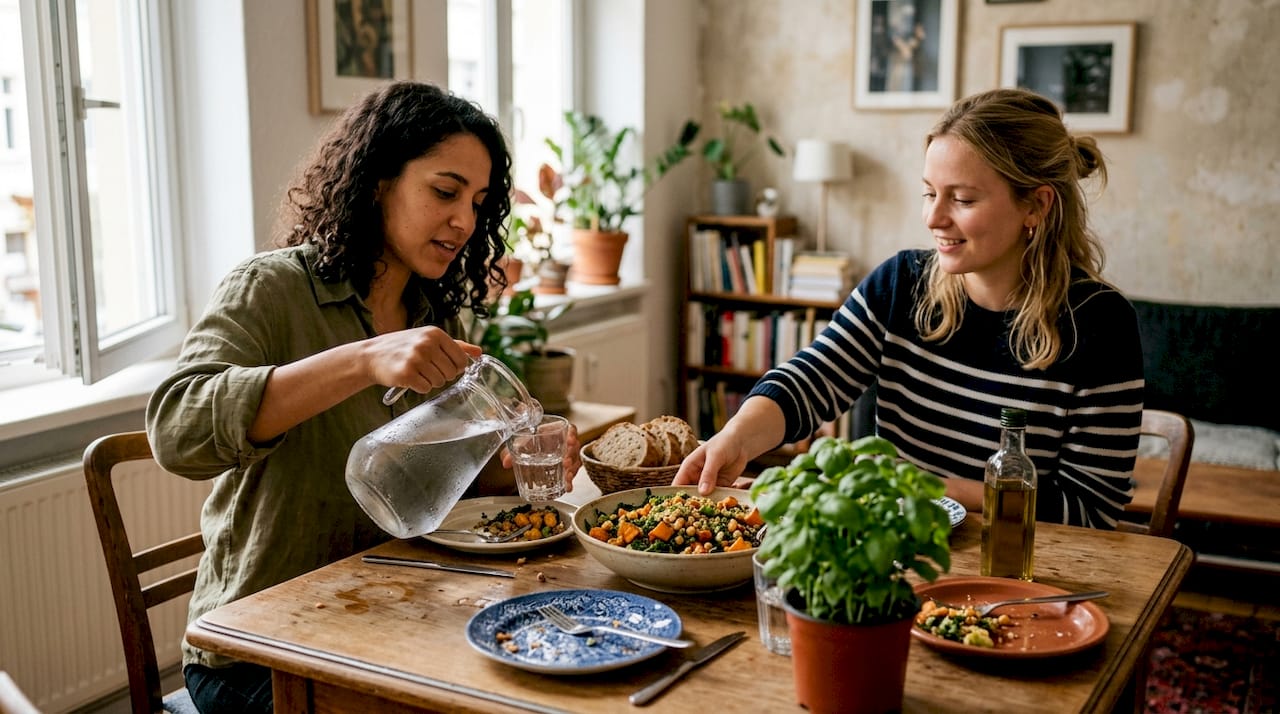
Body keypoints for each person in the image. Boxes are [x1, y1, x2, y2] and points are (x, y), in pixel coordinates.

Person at [146, 81, 580, 714]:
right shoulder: (270, 289)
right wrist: (363, 359)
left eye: (478, 202)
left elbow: (428, 478)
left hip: (387, 616)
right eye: (444, 191)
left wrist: (507, 465)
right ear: (378, 181)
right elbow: (176, 431)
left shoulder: (432, 317)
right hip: (258, 651)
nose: (464, 220)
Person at [675, 88, 1143, 530]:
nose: (933, 218)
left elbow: (1091, 511)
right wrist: (736, 435)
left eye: (961, 199)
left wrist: (925, 488)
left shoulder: (1101, 324)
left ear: (1036, 206)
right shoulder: (900, 284)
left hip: (1021, 568)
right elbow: (812, 380)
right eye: (929, 192)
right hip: (897, 551)